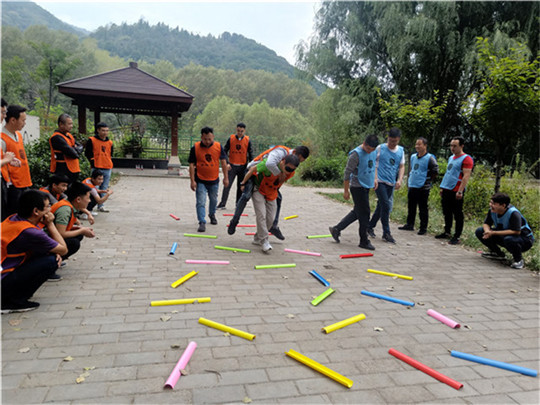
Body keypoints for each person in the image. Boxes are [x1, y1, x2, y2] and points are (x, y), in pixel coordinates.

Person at [1, 190, 68, 313]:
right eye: (48, 206)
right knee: (51, 261)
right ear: (36, 211)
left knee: (46, 253)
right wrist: (50, 224)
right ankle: (11, 302)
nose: (50, 210)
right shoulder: (28, 231)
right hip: (3, 280)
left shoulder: (14, 218)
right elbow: (63, 250)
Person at [227, 145, 310, 238]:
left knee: (278, 198)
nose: (297, 162)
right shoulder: (281, 152)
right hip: (254, 170)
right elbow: (269, 164)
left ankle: (273, 226)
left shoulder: (290, 163)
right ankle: (234, 221)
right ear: (294, 152)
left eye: (300, 162)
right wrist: (281, 173)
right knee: (246, 196)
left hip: (265, 178)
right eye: (298, 159)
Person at [329, 134, 379, 250]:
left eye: (372, 150)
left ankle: (336, 229)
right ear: (364, 143)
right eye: (368, 149)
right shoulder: (355, 155)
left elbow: (374, 166)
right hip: (357, 187)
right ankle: (364, 241)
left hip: (366, 185)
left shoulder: (373, 151)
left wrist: (375, 178)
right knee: (365, 213)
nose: (369, 151)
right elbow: (347, 174)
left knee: (358, 211)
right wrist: (346, 191)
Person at [241, 154, 300, 253]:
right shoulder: (268, 164)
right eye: (288, 168)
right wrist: (243, 183)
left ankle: (257, 238)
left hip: (271, 193)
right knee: (261, 215)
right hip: (258, 190)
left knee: (271, 219)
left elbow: (278, 183)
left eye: (291, 170)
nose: (289, 171)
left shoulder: (290, 173)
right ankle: (264, 241)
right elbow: (252, 169)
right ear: (283, 162)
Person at [475, 193, 534, 269]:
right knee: (480, 231)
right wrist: (487, 231)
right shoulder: (492, 211)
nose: (490, 205)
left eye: (494, 203)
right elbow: (486, 223)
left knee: (509, 239)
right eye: (491, 202)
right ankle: (497, 253)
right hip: (505, 234)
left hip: (524, 240)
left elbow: (516, 231)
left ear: (503, 205)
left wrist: (493, 233)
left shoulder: (513, 213)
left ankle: (518, 260)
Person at [367, 128, 405, 244]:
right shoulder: (380, 148)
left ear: (398, 140)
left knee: (381, 206)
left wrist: (399, 179)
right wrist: (374, 178)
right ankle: (386, 233)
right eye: (390, 140)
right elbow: (374, 164)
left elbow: (401, 166)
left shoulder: (401, 151)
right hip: (380, 181)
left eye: (394, 141)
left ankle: (369, 226)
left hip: (391, 182)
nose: (392, 143)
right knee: (386, 205)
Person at [188, 126, 229, 232]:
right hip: (200, 179)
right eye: (205, 139)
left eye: (209, 139)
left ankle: (212, 214)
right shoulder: (195, 147)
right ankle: (202, 221)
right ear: (201, 137)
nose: (207, 141)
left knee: (214, 199)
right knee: (201, 201)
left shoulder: (218, 147)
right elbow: (191, 165)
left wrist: (226, 178)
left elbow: (224, 163)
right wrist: (192, 181)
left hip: (214, 179)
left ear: (213, 137)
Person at [436, 136, 474, 245]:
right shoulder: (451, 158)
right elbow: (449, 174)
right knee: (446, 211)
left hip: (456, 190)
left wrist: (460, 191)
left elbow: (466, 176)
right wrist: (442, 188)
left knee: (457, 213)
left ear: (461, 146)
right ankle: (447, 231)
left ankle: (457, 236)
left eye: (455, 146)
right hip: (447, 188)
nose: (452, 148)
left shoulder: (466, 159)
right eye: (451, 146)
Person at [398, 137, 439, 235]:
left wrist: (427, 181)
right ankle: (409, 224)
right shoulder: (413, 157)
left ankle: (423, 228)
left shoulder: (430, 158)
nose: (417, 146)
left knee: (423, 208)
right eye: (416, 144)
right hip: (413, 185)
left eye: (419, 144)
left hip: (423, 187)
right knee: (411, 206)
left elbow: (435, 171)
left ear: (425, 146)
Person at [50, 182, 96, 262]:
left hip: (51, 236)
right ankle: (52, 261)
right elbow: (61, 233)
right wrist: (81, 230)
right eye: (88, 198)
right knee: (74, 243)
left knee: (79, 234)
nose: (89, 201)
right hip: (46, 239)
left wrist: (80, 228)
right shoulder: (65, 210)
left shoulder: (68, 204)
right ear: (78, 199)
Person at [1, 105, 32, 216]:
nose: (24, 123)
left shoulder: (18, 134)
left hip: (24, 181)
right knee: (13, 215)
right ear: (13, 120)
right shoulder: (2, 139)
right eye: (23, 120)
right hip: (13, 185)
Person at [217, 123, 254, 210]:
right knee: (227, 185)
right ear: (236, 130)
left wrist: (250, 166)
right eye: (238, 131)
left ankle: (238, 204)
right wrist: (226, 163)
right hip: (232, 165)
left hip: (243, 166)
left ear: (244, 131)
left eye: (241, 131)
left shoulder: (248, 140)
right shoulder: (231, 139)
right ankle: (222, 203)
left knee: (240, 186)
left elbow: (251, 153)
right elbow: (224, 151)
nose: (240, 133)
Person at [85, 122, 114, 212]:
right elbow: (87, 153)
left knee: (104, 187)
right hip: (97, 167)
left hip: (107, 166)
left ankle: (101, 205)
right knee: (95, 188)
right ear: (98, 130)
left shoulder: (110, 142)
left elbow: (111, 153)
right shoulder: (92, 140)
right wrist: (93, 161)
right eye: (103, 130)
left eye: (106, 131)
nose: (105, 132)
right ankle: (90, 207)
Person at [49, 114, 82, 184]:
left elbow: (81, 147)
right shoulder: (56, 137)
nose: (71, 126)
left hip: (73, 169)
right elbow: (73, 154)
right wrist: (75, 149)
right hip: (63, 170)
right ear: (61, 124)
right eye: (69, 124)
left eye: (72, 124)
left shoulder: (69, 135)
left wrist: (74, 149)